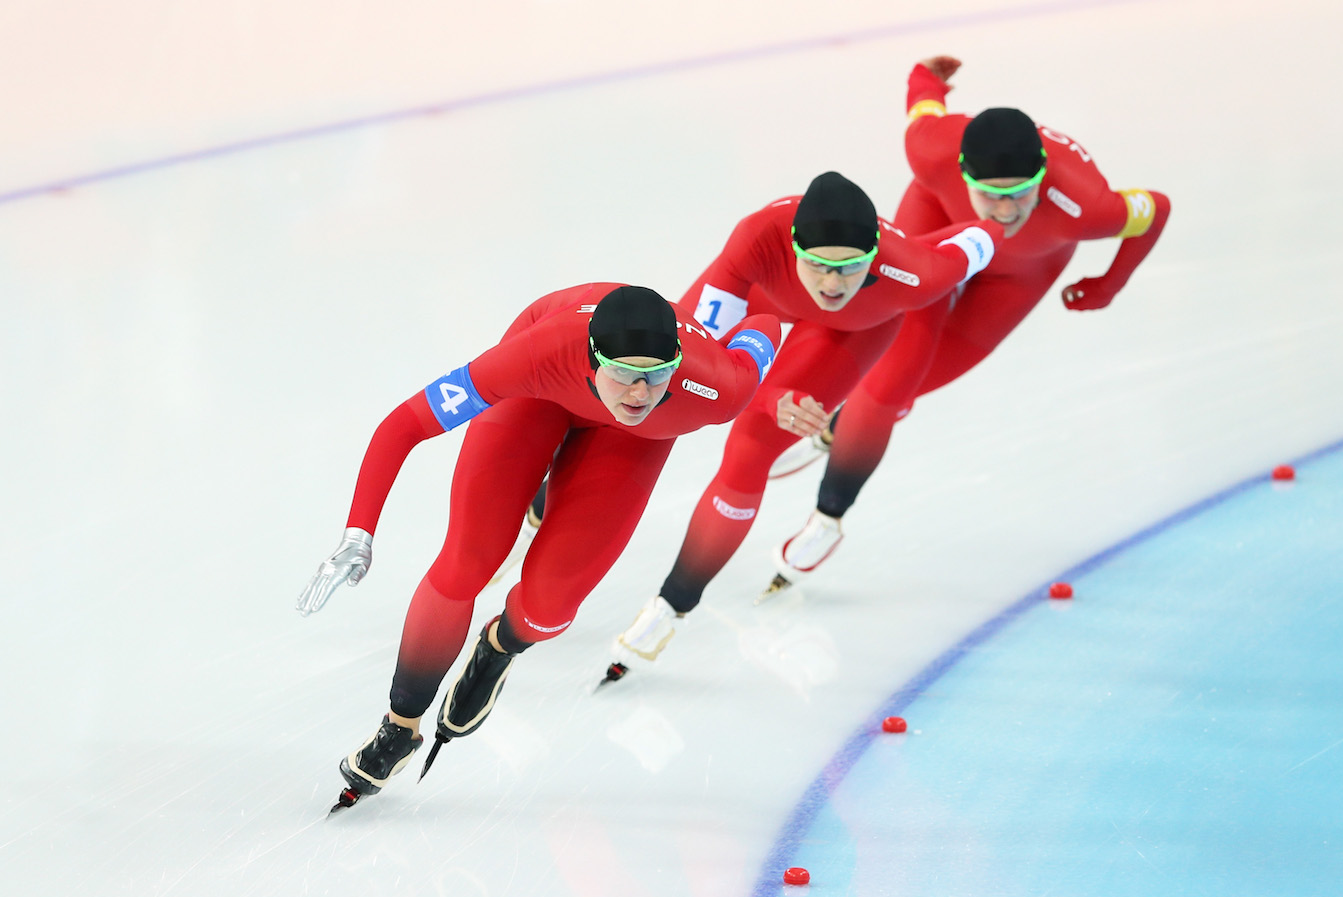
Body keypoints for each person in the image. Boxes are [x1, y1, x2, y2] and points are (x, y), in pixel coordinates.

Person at [295, 283, 780, 810]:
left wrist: (744, 329)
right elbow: (404, 425)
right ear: (593, 359)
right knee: (466, 563)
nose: (640, 393)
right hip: (540, 396)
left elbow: (767, 324)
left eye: (656, 374)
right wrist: (357, 533)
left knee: (550, 608)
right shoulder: (538, 352)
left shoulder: (716, 387)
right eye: (623, 373)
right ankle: (400, 726)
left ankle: (498, 647)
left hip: (633, 440)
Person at [764, 55, 1172, 592]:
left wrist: (1109, 283)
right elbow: (924, 106)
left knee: (919, 380)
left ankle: (841, 430)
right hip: (935, 227)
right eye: (991, 195)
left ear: (1043, 180)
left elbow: (1156, 208)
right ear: (962, 173)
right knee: (892, 379)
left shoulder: (1088, 206)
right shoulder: (932, 152)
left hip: (1022, 272)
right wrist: (927, 76)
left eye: (1019, 194)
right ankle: (828, 519)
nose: (1004, 213)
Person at [602, 171, 1003, 680]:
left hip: (858, 328)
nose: (833, 284)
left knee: (749, 449)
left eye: (850, 268)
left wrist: (1004, 214)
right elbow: (700, 361)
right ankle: (558, 493)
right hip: (764, 295)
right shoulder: (755, 241)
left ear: (875, 255)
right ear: (794, 249)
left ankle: (671, 606)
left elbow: (988, 233)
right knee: (662, 379)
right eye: (818, 266)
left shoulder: (919, 270)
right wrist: (769, 397)